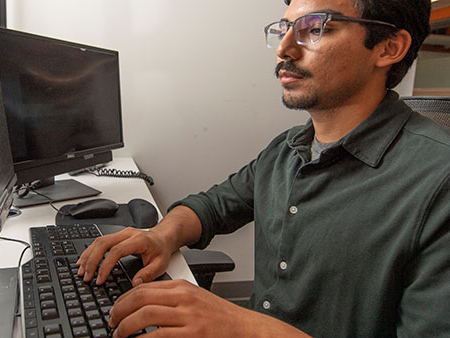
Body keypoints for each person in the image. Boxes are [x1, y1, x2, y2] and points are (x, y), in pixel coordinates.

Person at [77, 0, 450, 336]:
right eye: (285, 29)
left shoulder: (438, 182)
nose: (284, 50)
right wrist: (163, 235)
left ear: (388, 48)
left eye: (315, 29)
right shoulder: (286, 149)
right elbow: (212, 206)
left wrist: (242, 325)